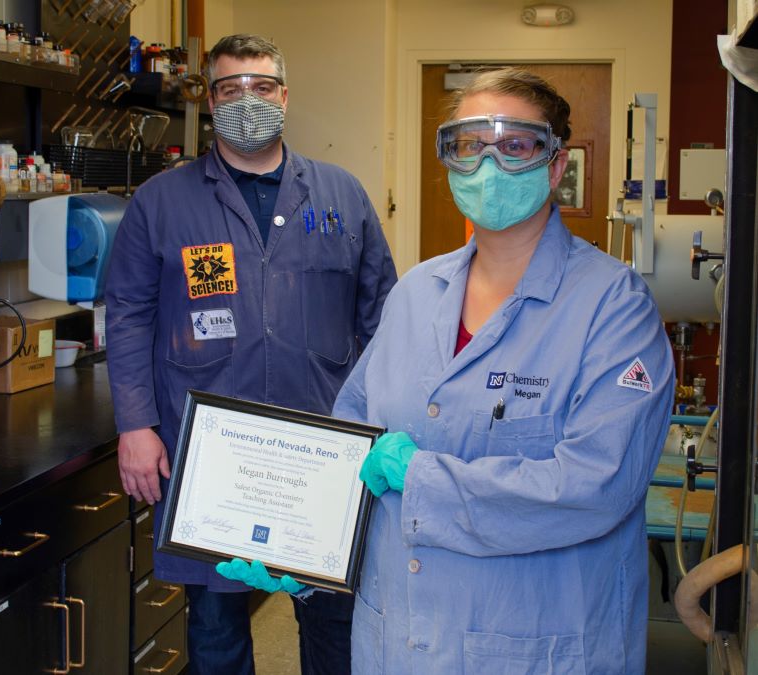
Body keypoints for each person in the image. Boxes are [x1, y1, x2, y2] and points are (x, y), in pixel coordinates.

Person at [331, 68, 675, 673]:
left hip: (534, 645)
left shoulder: (612, 306)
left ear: (556, 164)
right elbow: (352, 435)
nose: (489, 167)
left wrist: (423, 478)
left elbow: (596, 486)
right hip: (399, 641)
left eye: (516, 145)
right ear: (450, 160)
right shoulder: (414, 293)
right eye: (469, 146)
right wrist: (303, 544)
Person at [104, 34, 397, 675]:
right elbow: (126, 316)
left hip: (321, 451)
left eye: (261, 86)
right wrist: (134, 424)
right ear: (210, 101)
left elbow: (384, 316)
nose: (248, 100)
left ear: (285, 96)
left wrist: (385, 427)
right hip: (209, 454)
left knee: (333, 627)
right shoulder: (162, 202)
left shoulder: (341, 195)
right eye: (231, 88)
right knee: (215, 631)